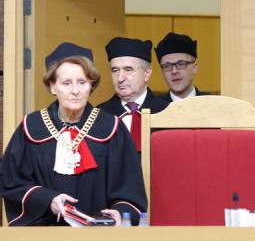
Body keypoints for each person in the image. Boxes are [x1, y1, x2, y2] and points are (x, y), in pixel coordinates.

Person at [0, 42, 147, 226]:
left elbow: (130, 189)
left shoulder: (112, 128)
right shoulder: (31, 127)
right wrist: (48, 199)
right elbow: (12, 183)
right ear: (52, 86)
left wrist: (120, 213)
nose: (75, 91)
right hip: (44, 233)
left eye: (82, 82)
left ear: (91, 86)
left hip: (99, 234)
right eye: (66, 83)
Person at [98, 37, 168, 151]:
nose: (120, 78)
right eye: (115, 70)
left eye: (128, 70)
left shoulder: (167, 112)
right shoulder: (99, 115)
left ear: (147, 73)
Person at [155, 31, 208, 101]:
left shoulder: (213, 103)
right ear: (162, 72)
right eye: (167, 66)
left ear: (195, 67)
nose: (174, 71)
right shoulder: (153, 106)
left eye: (181, 64)